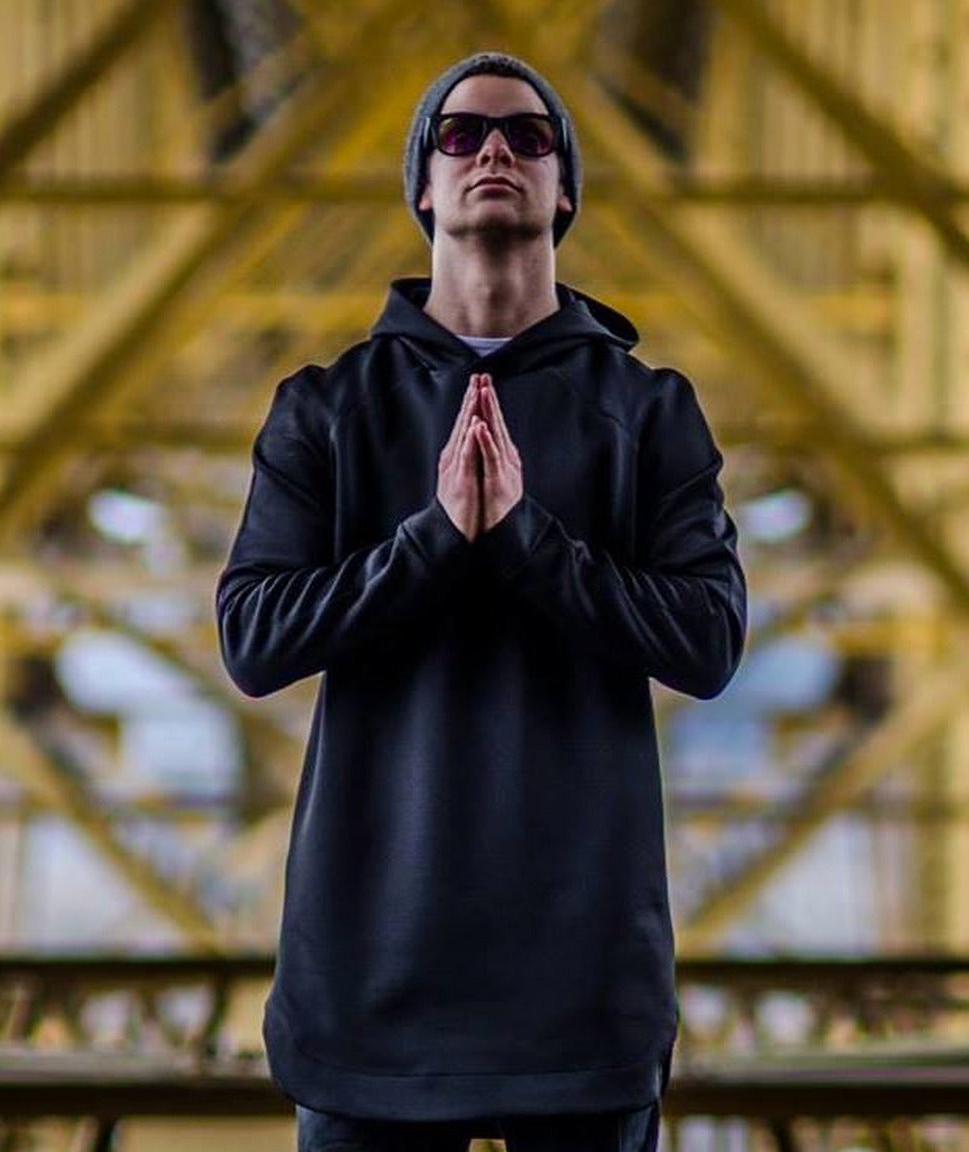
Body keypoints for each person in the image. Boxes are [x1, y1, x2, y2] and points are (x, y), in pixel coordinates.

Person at [215, 50, 747, 1152]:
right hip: (372, 986)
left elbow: (708, 642)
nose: (493, 151)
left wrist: (524, 541)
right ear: (423, 185)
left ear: (564, 190)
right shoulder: (325, 408)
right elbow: (253, 641)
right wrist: (432, 542)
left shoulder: (648, 410)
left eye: (527, 136)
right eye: (459, 135)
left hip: (582, 993)